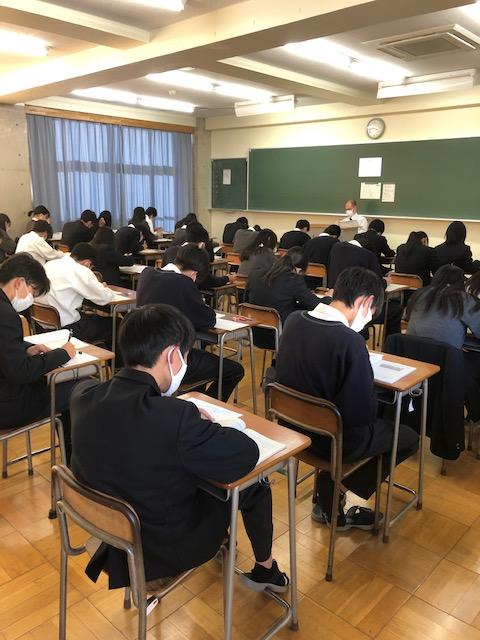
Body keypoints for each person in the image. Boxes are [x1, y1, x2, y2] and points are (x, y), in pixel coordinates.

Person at [70, 304, 288, 592]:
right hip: (161, 549)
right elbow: (246, 454)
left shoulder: (83, 395)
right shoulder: (176, 419)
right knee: (253, 485)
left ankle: (231, 544)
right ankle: (266, 569)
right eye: (185, 356)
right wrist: (209, 426)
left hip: (110, 534)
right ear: (173, 355)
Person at [275, 267, 419, 528]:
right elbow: (360, 415)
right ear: (366, 301)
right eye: (372, 313)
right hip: (331, 440)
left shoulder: (294, 320)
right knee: (407, 437)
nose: (369, 320)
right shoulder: (349, 341)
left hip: (291, 428)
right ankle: (336, 487)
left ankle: (331, 488)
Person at [136, 244, 244, 402]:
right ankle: (203, 408)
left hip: (141, 355)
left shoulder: (147, 273)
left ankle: (193, 402)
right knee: (235, 370)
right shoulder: (183, 283)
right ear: (194, 272)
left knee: (201, 358)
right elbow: (208, 319)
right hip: (169, 361)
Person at [0, 253, 76, 458]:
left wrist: (24, 349)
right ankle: (72, 461)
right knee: (77, 389)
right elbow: (20, 373)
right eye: (33, 291)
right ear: (19, 283)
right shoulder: (6, 314)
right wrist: (62, 353)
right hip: (7, 404)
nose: (31, 298)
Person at [408, 264, 480, 419]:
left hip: (414, 359)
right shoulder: (463, 300)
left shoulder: (419, 294)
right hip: (446, 362)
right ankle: (475, 413)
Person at [248, 247, 329, 349]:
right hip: (281, 336)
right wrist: (329, 297)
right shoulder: (293, 279)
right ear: (299, 270)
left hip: (254, 333)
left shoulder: (255, 274)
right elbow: (316, 305)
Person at [38, 243, 116, 344]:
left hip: (42, 324)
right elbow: (105, 298)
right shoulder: (80, 270)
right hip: (68, 328)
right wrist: (104, 287)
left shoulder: (49, 264)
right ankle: (107, 354)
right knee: (116, 323)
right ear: (87, 263)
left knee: (89, 317)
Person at [328, 240, 402, 338]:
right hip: (356, 307)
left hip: (335, 301)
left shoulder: (336, 248)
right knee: (396, 309)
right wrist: (385, 281)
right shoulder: (368, 256)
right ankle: (390, 346)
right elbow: (378, 286)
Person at [162, 222, 236, 290]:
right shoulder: (194, 256)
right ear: (202, 244)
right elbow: (207, 281)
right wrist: (227, 278)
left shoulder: (171, 250)